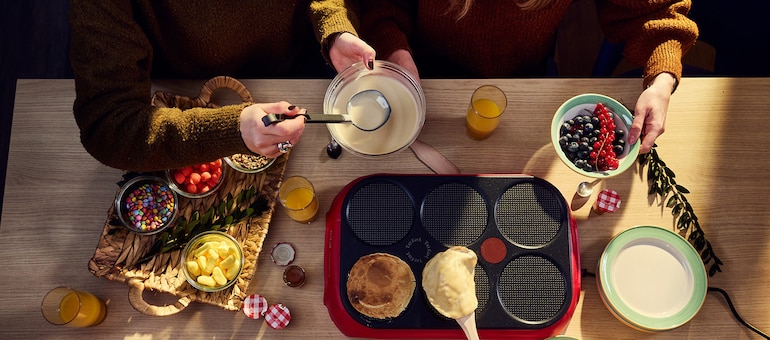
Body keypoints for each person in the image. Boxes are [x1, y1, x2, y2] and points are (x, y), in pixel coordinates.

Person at [356, 0, 699, 153]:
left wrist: (662, 80)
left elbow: (654, 11)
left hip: (525, 81)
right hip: (421, 74)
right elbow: (379, 5)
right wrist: (395, 50)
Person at [69, 0, 375, 171]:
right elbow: (107, 125)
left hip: (293, 69)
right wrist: (233, 128)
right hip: (187, 96)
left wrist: (333, 26)